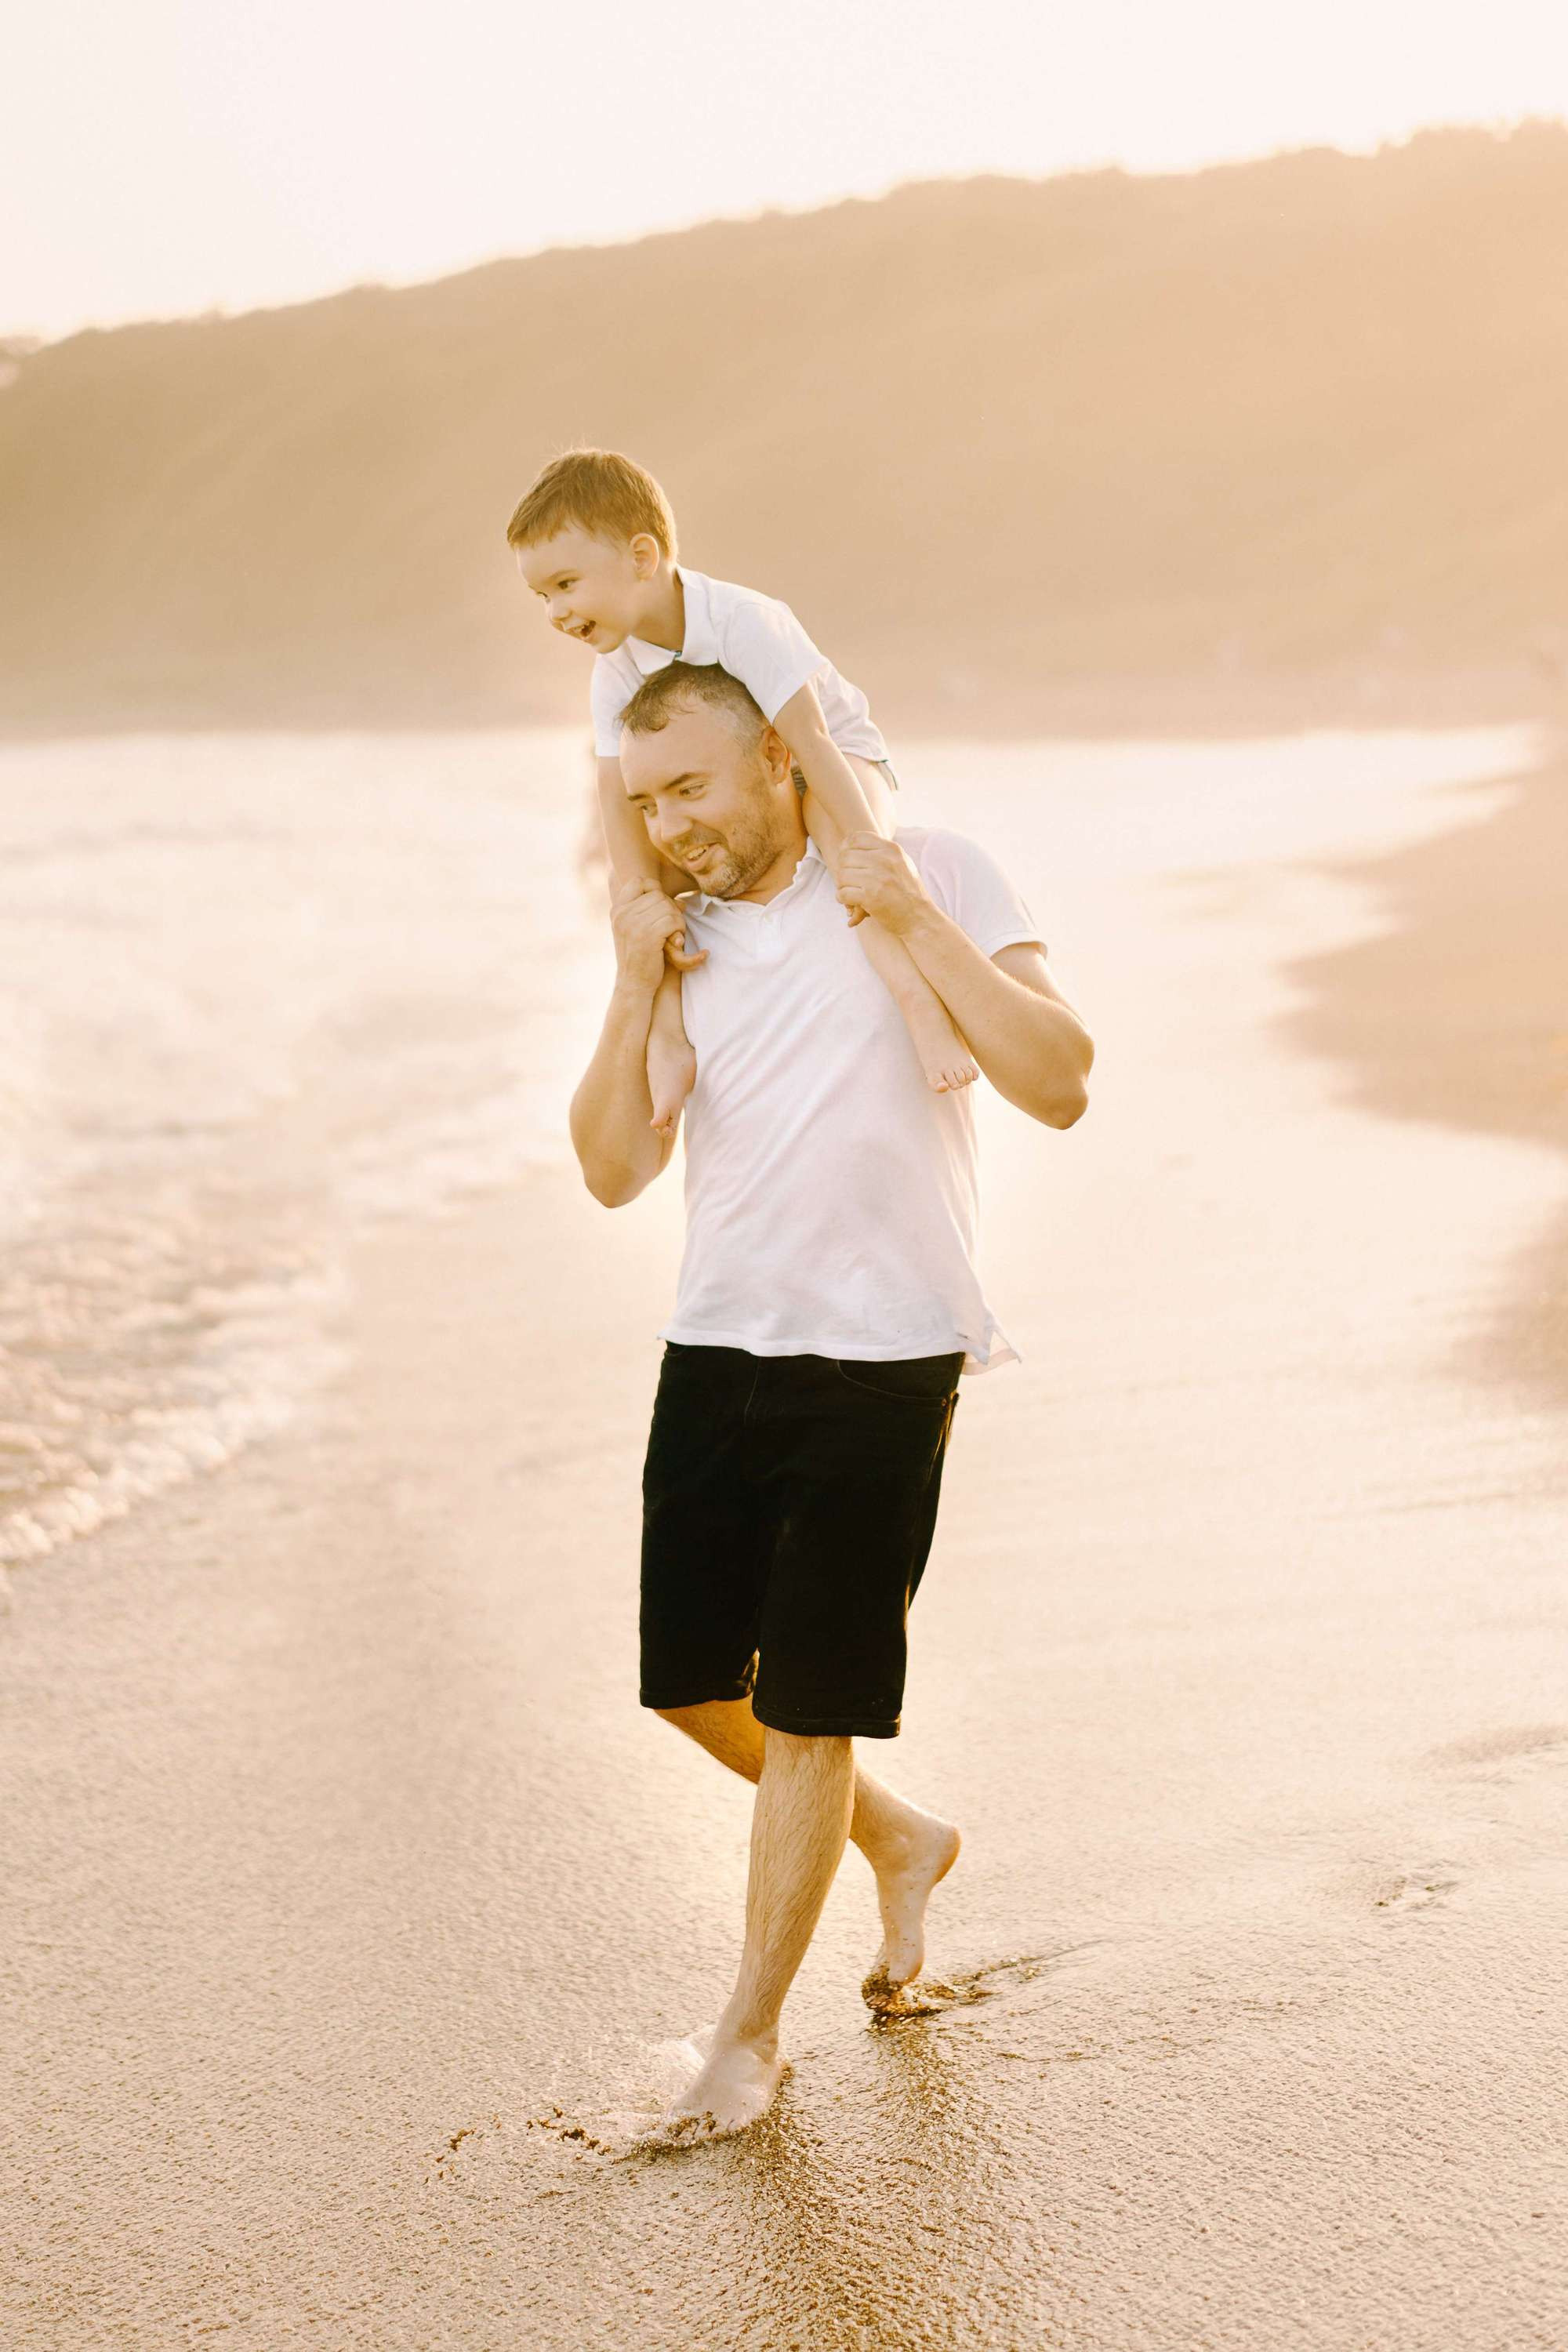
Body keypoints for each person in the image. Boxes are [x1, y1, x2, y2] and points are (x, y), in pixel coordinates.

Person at [568, 659, 1094, 2144]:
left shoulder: (933, 870)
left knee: (810, 1708)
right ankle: (905, 1837)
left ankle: (746, 2042)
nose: (671, 825)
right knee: (691, 1687)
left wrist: (906, 914)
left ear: (783, 766)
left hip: (886, 1350)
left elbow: (1058, 1080)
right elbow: (612, 1169)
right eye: (646, 799)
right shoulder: (684, 937)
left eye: (694, 787)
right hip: (720, 1340)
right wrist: (629, 980)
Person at [507, 447, 979, 1137]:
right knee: (642, 902)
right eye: (542, 595)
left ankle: (919, 1003)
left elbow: (813, 744)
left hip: (834, 758)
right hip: (741, 781)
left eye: (567, 583)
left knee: (853, 862)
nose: (555, 610)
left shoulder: (744, 621)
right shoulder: (614, 670)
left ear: (642, 557)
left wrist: (873, 857)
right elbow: (615, 797)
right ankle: (669, 1041)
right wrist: (635, 900)